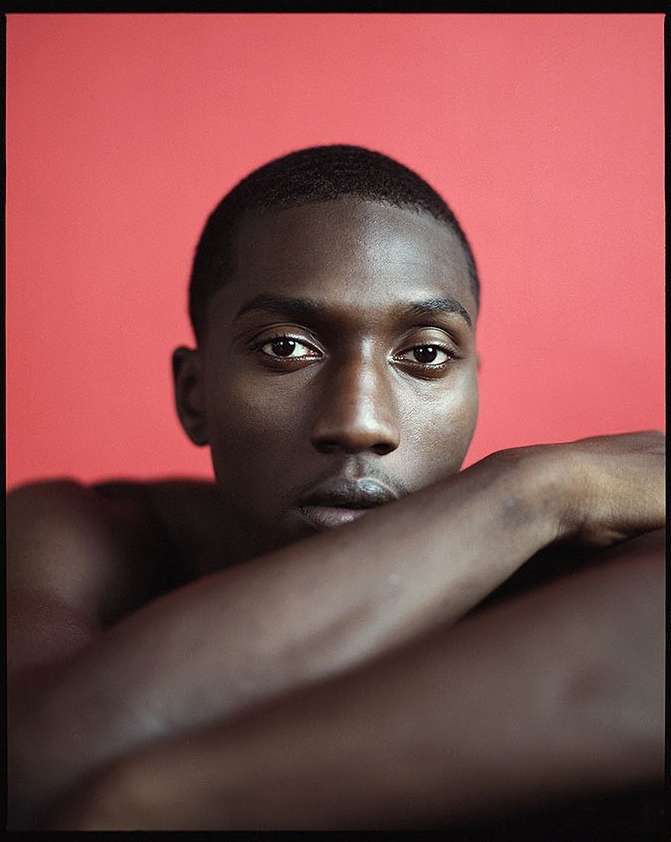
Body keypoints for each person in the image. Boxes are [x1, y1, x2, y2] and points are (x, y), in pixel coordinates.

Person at [7, 145, 664, 832]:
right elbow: (31, 760)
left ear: (473, 385)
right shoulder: (84, 531)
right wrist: (527, 491)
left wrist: (166, 799)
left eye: (425, 354)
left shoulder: (577, 551)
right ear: (194, 394)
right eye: (285, 347)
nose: (360, 423)